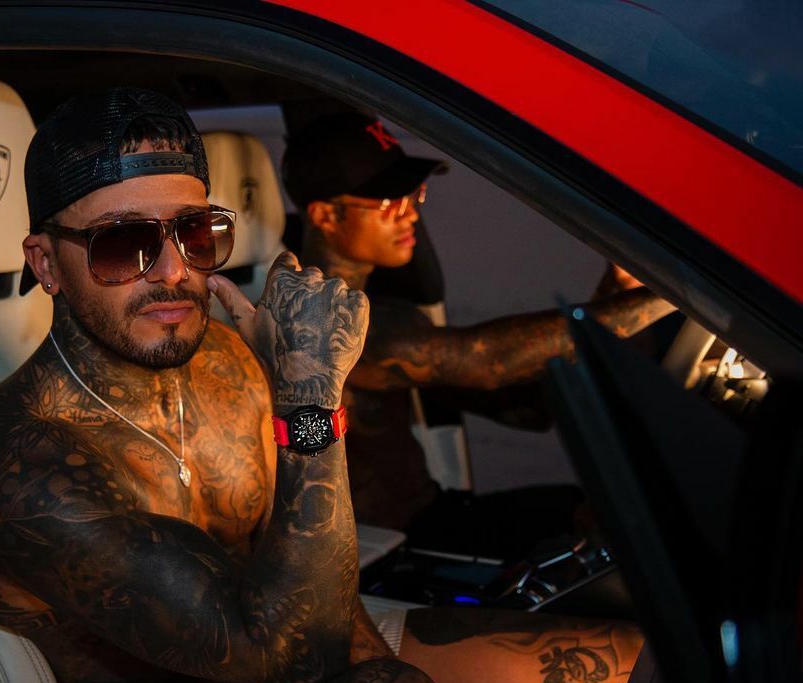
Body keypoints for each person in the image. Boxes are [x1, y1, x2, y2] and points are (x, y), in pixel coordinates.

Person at [0, 88, 647, 683]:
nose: (174, 271)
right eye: (123, 244)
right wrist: (309, 390)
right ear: (46, 263)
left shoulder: (225, 366)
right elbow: (288, 657)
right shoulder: (23, 467)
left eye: (194, 232)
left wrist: (387, 671)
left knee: (637, 665)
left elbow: (322, 588)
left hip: (301, 630)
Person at [281, 111, 677, 557]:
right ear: (326, 215)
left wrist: (616, 289)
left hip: (430, 517)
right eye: (390, 203)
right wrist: (675, 295)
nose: (411, 215)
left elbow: (526, 410)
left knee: (606, 514)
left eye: (414, 195)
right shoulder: (315, 323)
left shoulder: (387, 314)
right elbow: (483, 360)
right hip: (382, 553)